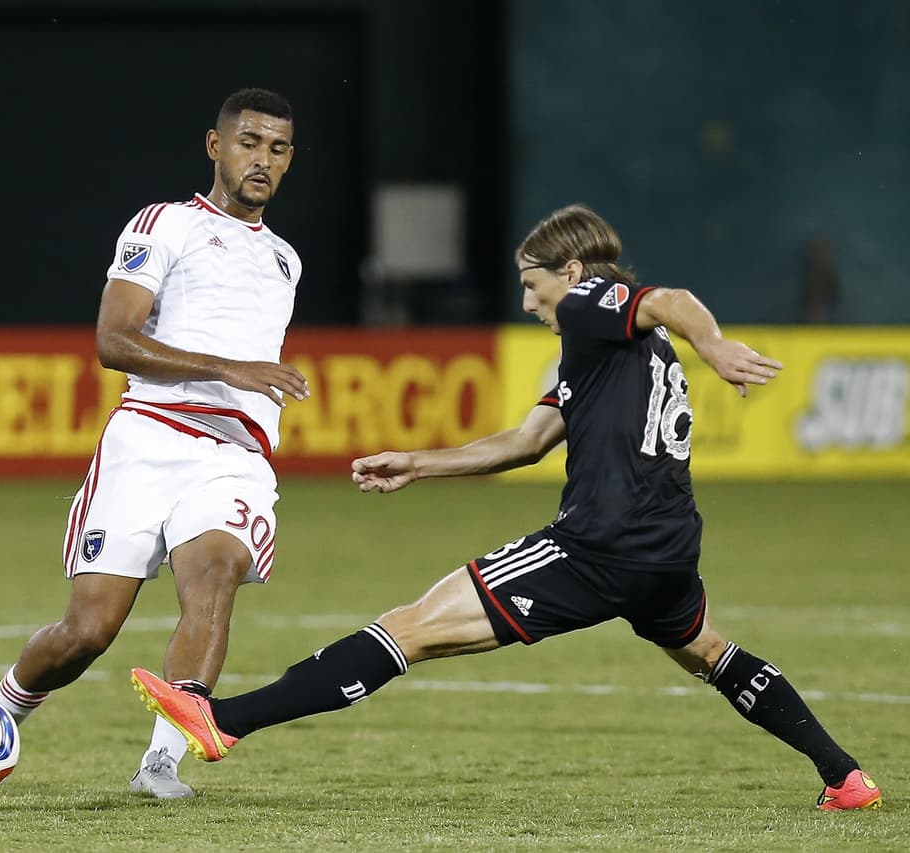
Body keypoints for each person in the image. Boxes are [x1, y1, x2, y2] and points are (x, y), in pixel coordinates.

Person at [130, 204, 883, 812]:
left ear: (574, 272)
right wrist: (418, 462)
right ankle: (844, 773)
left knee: (412, 627)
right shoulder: (609, 348)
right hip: (667, 555)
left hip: (597, 547)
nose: (528, 303)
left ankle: (222, 720)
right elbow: (526, 442)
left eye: (533, 285)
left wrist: (716, 347)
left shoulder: (592, 303)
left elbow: (674, 300)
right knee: (711, 654)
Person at [0, 87, 308, 800]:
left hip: (235, 456)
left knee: (215, 575)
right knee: (88, 629)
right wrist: (228, 369)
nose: (263, 160)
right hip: (149, 438)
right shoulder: (165, 223)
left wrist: (242, 387)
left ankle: (160, 763)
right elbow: (113, 341)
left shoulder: (285, 260)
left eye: (278, 149)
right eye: (249, 142)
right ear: (215, 146)